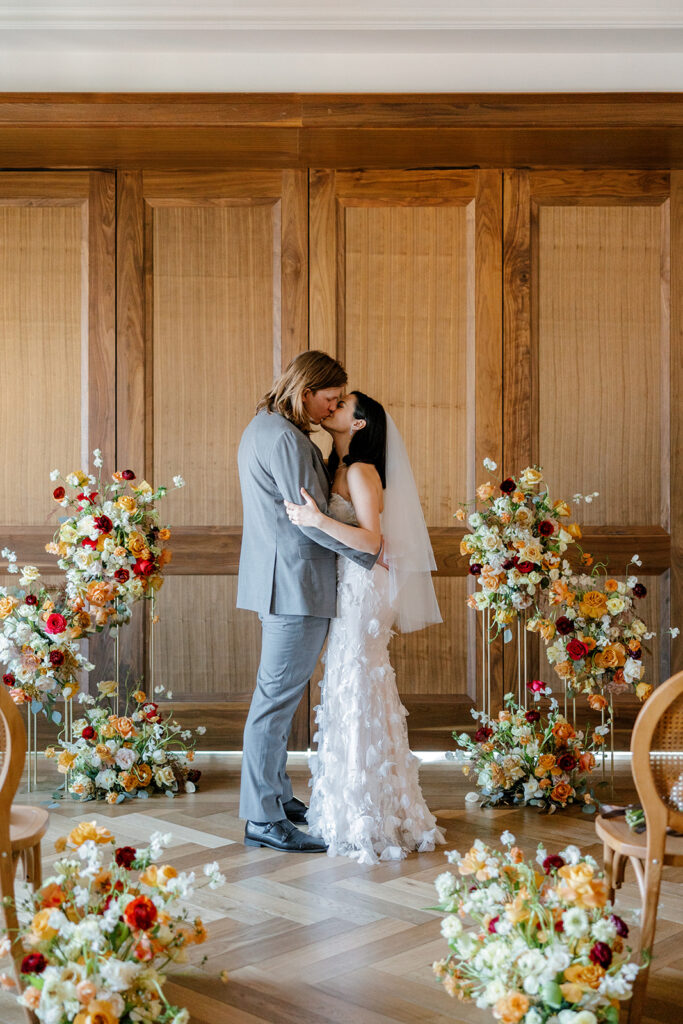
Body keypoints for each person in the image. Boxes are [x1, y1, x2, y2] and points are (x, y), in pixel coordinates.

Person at [285, 391, 446, 864]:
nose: (331, 408)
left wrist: (316, 519)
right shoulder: (340, 467)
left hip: (364, 586)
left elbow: (373, 541)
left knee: (357, 680)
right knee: (349, 682)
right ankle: (358, 807)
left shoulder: (359, 471)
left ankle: (368, 812)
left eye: (342, 407)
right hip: (350, 583)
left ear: (358, 425)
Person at [237, 352, 381, 853]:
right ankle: (261, 817)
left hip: (280, 581)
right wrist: (370, 556)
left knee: (276, 697)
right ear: (305, 392)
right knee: (274, 703)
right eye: (330, 398)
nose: (333, 407)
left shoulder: (265, 427)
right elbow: (311, 517)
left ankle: (275, 794)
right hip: (295, 585)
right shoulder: (286, 438)